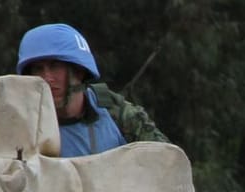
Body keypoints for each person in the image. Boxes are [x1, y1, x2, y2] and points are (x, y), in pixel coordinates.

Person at [16, 23, 168, 157]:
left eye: (55, 66)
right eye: (38, 69)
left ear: (79, 71)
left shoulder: (116, 114)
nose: (47, 78)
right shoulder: (22, 124)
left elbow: (167, 162)